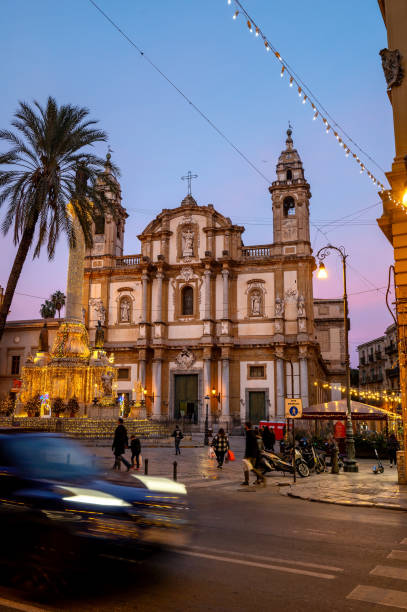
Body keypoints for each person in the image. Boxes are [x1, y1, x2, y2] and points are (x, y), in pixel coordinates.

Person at [241, 422, 266, 486]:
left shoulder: (250, 433)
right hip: (251, 454)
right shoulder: (251, 433)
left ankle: (262, 477)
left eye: (244, 425)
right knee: (246, 467)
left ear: (246, 426)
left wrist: (248, 455)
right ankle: (247, 481)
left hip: (250, 454)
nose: (244, 426)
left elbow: (251, 445)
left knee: (250, 468)